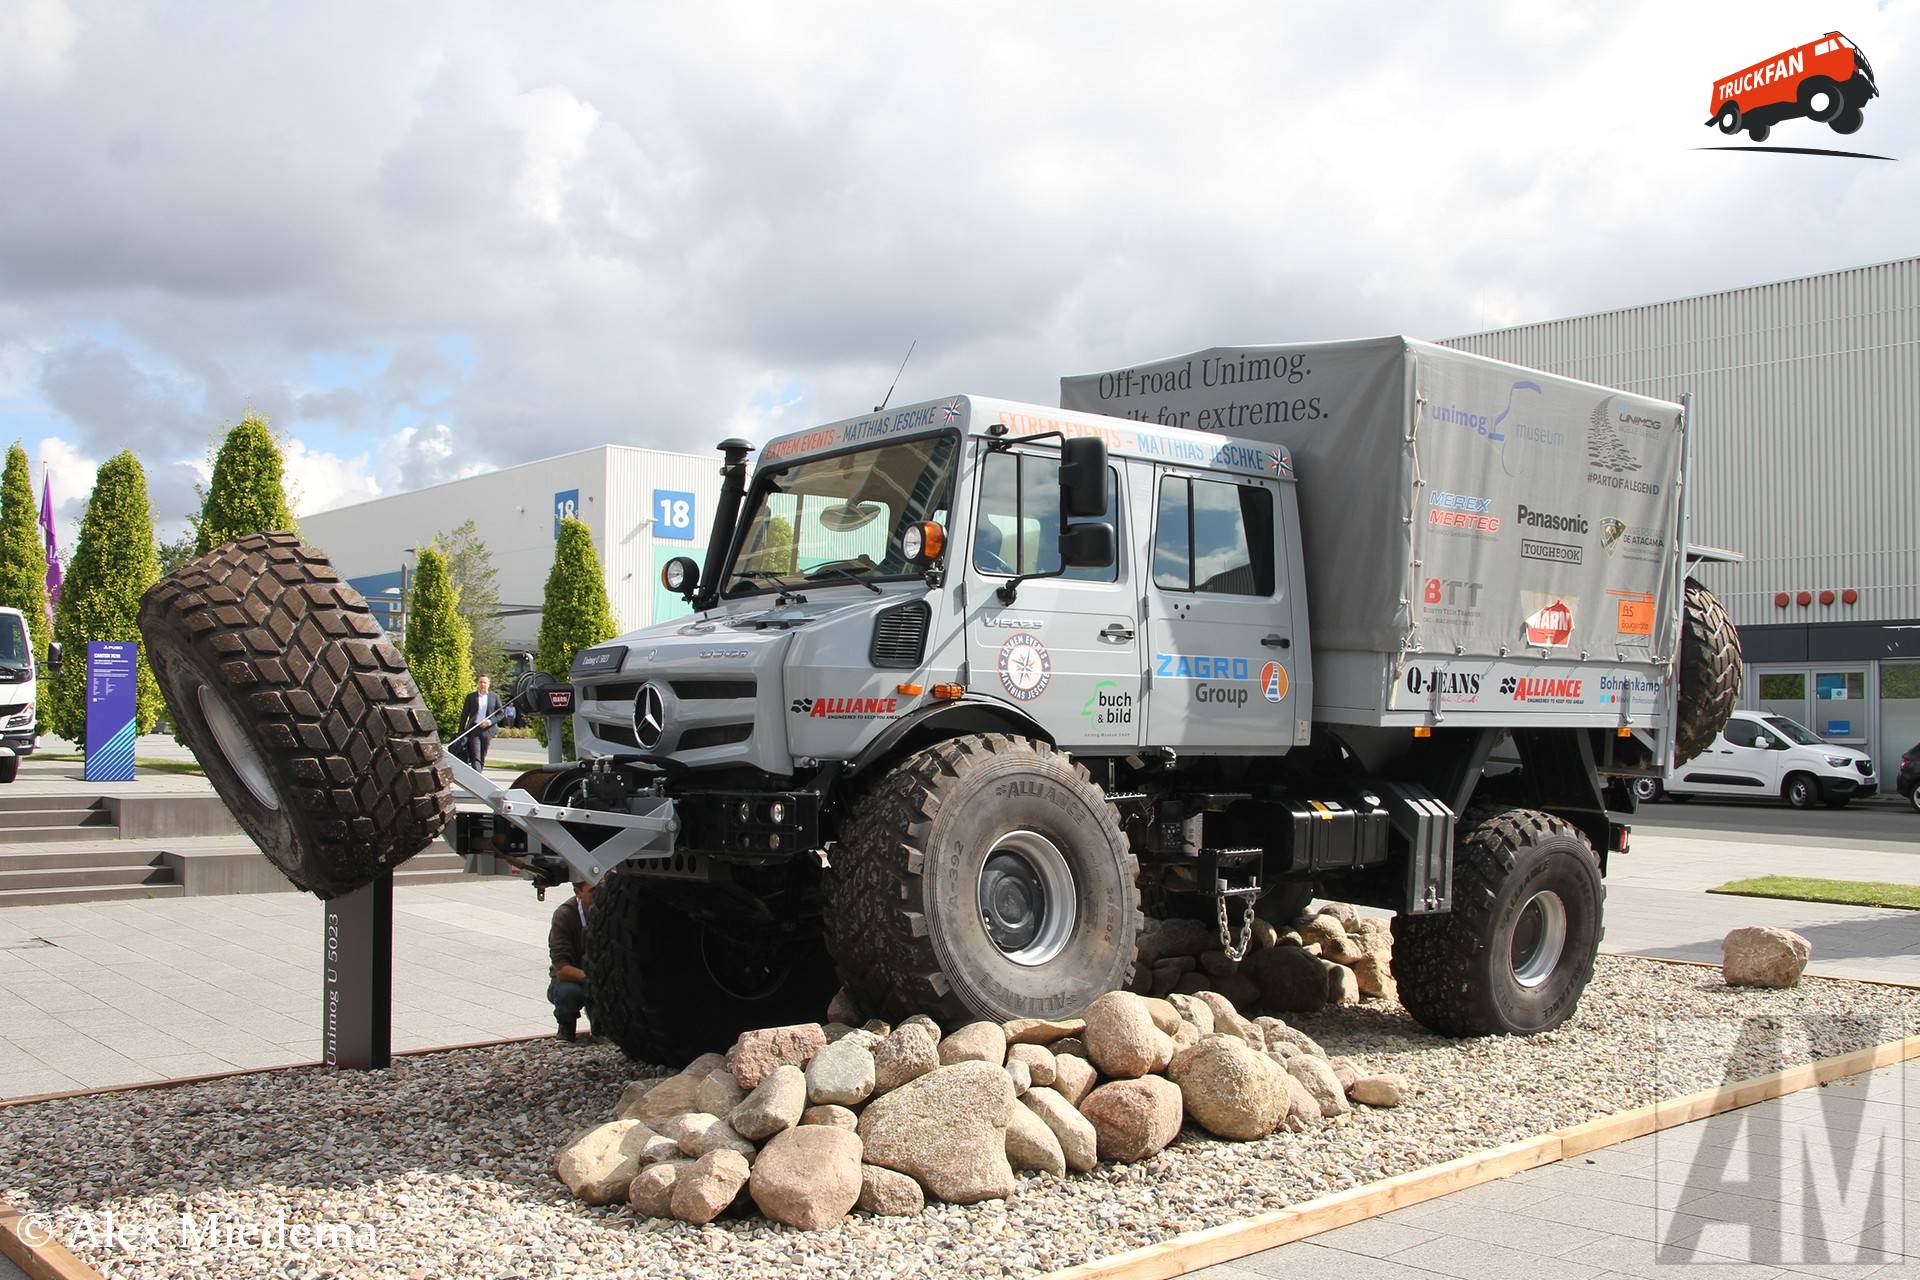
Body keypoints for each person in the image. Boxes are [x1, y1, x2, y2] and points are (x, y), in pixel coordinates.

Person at [548, 880, 592, 1041]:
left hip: (597, 975)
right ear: (577, 892)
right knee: (569, 993)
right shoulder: (565, 915)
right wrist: (593, 979)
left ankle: (603, 1027)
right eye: (593, 891)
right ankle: (566, 1027)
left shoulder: (609, 910)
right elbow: (561, 968)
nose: (600, 896)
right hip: (571, 977)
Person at [457, 674, 510, 768]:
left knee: (482, 754)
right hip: (474, 729)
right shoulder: (471, 697)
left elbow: (501, 714)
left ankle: (479, 773)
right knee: (475, 754)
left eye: (485, 682)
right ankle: (476, 773)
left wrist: (489, 722)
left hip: (487, 730)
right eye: (481, 682)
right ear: (478, 683)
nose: (482, 684)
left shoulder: (494, 697)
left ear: (488, 684)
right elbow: (464, 715)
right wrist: (461, 731)